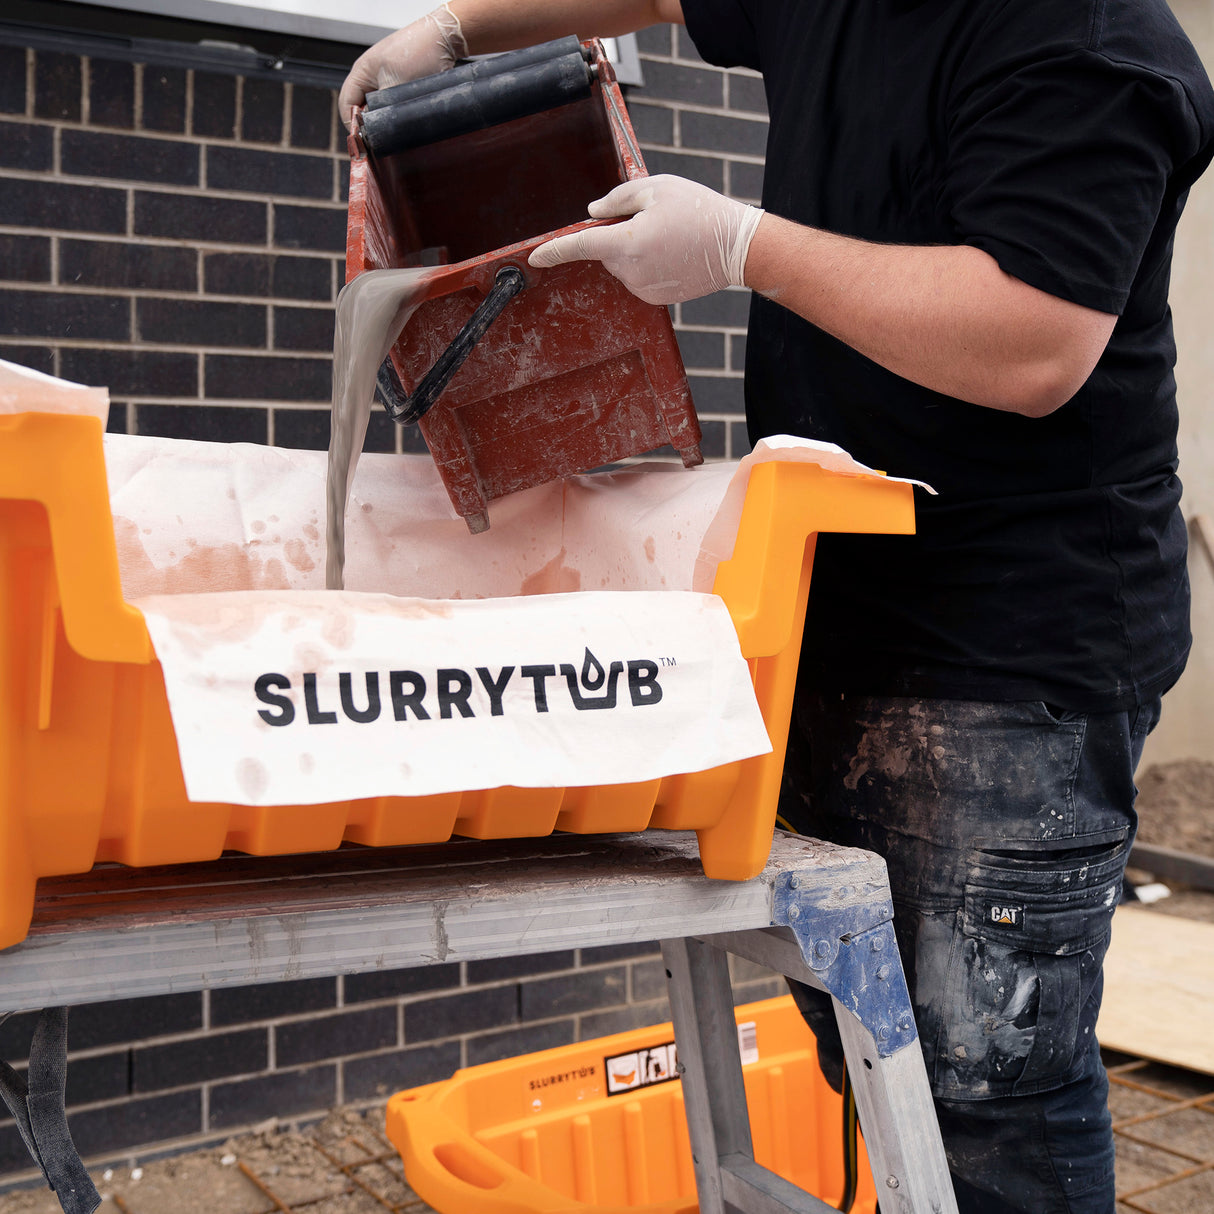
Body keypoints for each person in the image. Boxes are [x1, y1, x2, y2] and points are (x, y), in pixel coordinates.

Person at [341, 3, 1214, 1211]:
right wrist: (454, 30)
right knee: (871, 1050)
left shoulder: (1083, 37)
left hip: (1009, 653)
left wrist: (740, 245)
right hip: (827, 606)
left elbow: (1032, 339)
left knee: (987, 1091)